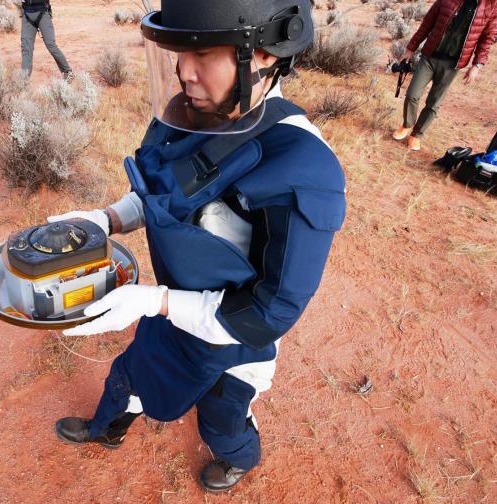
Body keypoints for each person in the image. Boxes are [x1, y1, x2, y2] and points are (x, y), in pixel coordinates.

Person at [47, 0, 346, 493]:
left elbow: (267, 315)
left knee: (221, 419)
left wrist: (156, 301)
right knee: (130, 375)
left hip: (233, 343)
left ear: (266, 55)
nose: (184, 72)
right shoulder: (190, 114)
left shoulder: (303, 170)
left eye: (202, 53)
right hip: (173, 316)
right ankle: (108, 429)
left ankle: (238, 458)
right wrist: (106, 219)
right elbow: (162, 194)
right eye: (177, 53)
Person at [393, 0, 497, 151]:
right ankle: (407, 125)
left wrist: (477, 65)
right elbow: (427, 23)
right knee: (412, 94)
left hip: (453, 64)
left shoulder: (493, 4)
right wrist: (411, 48)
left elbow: (488, 37)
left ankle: (416, 135)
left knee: (434, 103)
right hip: (430, 57)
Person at [19, 0, 72, 80]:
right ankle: (24, 81)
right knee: (26, 48)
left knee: (51, 44)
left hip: (43, 13)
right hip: (27, 14)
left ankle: (67, 72)